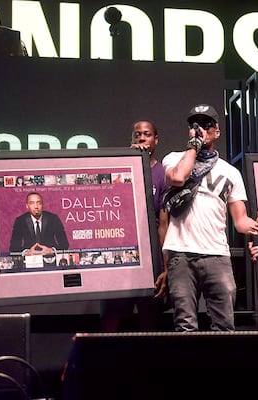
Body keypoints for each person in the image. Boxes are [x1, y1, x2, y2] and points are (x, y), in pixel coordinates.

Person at [161, 103, 258, 331]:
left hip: (217, 255)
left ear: (217, 131)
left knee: (224, 325)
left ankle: (221, 367)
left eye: (207, 125)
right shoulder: (173, 158)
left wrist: (254, 226)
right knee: (185, 325)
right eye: (194, 125)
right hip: (181, 254)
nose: (201, 130)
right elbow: (178, 178)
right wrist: (193, 146)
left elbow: (240, 221)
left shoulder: (231, 172)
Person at [100, 119, 169, 331]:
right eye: (137, 134)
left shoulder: (162, 174)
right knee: (112, 319)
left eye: (146, 134)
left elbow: (164, 224)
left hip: (151, 256)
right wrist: (127, 162)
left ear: (155, 140)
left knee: (150, 319)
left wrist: (166, 267)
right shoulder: (120, 170)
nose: (141, 138)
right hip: (121, 254)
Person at [9, 191, 69, 256]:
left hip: (50, 258)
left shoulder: (53, 218)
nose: (36, 206)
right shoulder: (20, 221)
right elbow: (13, 248)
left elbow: (65, 244)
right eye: (32, 203)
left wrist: (52, 250)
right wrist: (27, 252)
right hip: (29, 260)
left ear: (43, 205)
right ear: (27, 206)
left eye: (39, 203)